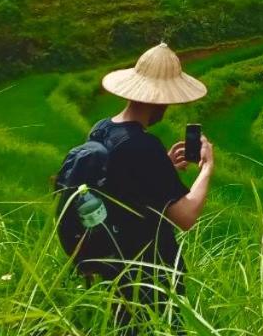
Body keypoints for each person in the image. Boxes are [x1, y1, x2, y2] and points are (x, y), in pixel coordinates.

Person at [91, 42, 214, 330]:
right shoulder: (143, 145)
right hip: (148, 274)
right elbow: (185, 216)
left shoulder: (101, 129)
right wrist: (207, 168)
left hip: (112, 268)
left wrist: (165, 167)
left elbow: (123, 186)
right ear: (159, 100)